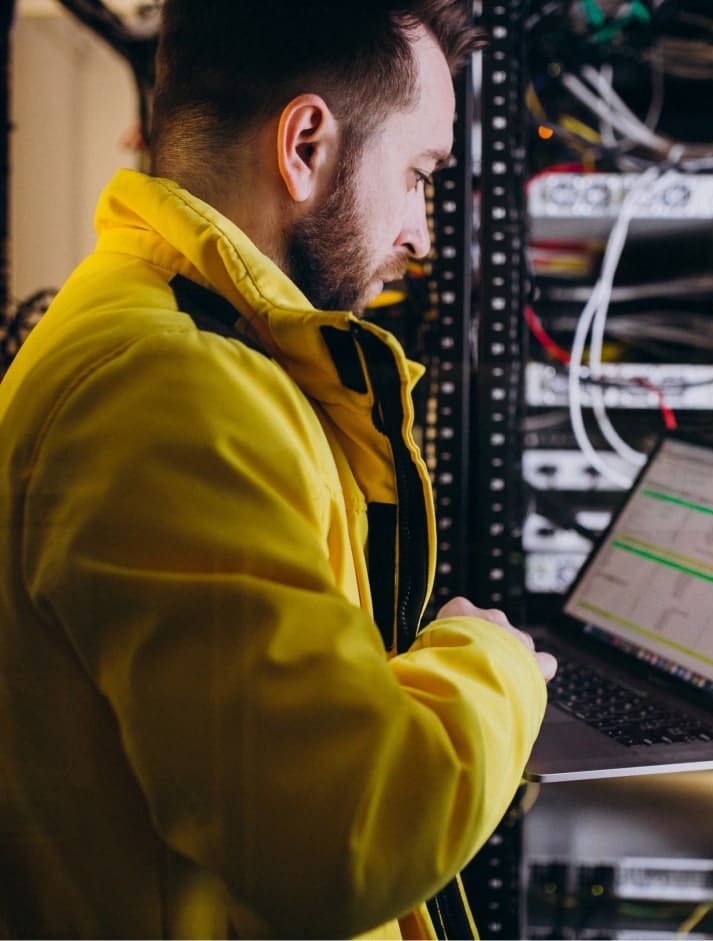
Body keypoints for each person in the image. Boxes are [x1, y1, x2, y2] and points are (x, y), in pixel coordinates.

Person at [0, 1, 556, 938]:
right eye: (419, 174)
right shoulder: (168, 390)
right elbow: (348, 832)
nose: (421, 233)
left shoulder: (175, 341)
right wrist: (493, 661)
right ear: (304, 144)